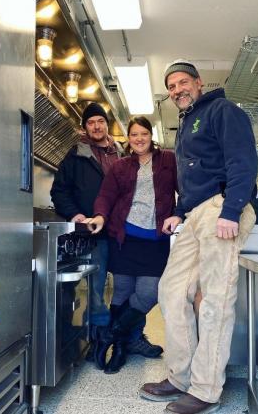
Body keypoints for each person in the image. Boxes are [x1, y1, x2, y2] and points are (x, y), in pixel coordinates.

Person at [139, 60, 258, 414]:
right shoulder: (187, 123)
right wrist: (179, 210)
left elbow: (243, 161)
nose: (177, 90)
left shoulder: (223, 110)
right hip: (195, 214)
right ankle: (181, 377)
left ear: (198, 82)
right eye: (171, 87)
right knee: (171, 292)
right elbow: (192, 178)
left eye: (182, 83)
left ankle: (206, 389)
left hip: (222, 206)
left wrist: (231, 210)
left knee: (215, 300)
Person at [50, 103, 161, 362]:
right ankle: (99, 339)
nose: (97, 126)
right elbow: (59, 191)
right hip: (94, 234)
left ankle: (132, 337)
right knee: (97, 289)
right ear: (85, 127)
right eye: (91, 122)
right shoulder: (75, 155)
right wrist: (75, 215)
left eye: (101, 121)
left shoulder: (124, 153)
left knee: (130, 287)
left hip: (125, 232)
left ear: (107, 124)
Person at [83, 116, 180, 374]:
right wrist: (101, 216)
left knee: (149, 292)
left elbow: (186, 189)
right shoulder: (120, 166)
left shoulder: (168, 160)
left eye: (144, 134)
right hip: (124, 238)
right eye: (134, 134)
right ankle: (124, 347)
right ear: (129, 138)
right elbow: (106, 195)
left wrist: (180, 212)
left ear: (151, 136)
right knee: (123, 292)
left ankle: (111, 335)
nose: (139, 139)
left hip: (155, 240)